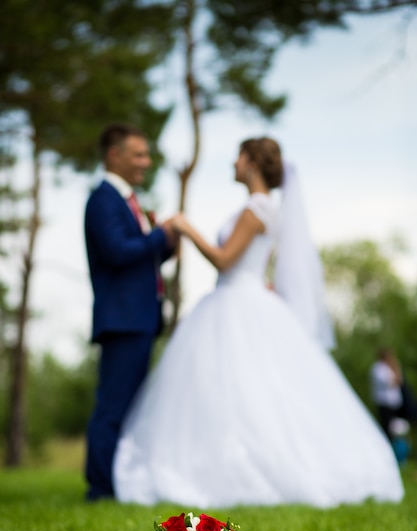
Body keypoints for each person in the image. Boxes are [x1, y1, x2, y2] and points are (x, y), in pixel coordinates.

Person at [113, 137, 404, 508]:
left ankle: (240, 472)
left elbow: (224, 260)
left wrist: (185, 227)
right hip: (248, 298)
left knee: (237, 390)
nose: (233, 163)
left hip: (236, 300)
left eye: (239, 156)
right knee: (250, 391)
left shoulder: (256, 208)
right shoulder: (267, 209)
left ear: (251, 163)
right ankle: (232, 466)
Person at [84, 123, 177, 501]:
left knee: (133, 405)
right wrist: (162, 233)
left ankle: (120, 482)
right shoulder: (103, 199)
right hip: (122, 318)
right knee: (114, 405)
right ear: (114, 155)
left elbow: (140, 255)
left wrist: (165, 245)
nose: (146, 161)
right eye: (138, 154)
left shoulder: (128, 201)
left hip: (140, 318)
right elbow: (118, 252)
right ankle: (101, 489)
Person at [370, 349, 404, 439]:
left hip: (392, 403)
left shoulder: (389, 367)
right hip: (384, 402)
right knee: (386, 426)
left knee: (394, 427)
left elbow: (399, 380)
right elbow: (388, 382)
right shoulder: (378, 368)